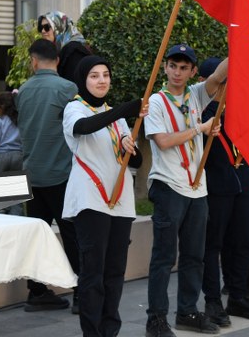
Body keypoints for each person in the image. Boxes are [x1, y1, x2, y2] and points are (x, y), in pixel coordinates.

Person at [144, 44, 228, 337]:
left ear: (193, 71)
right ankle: (156, 319)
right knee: (164, 257)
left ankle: (187, 312)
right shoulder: (156, 101)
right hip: (169, 186)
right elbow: (163, 141)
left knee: (194, 256)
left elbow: (218, 76)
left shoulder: (195, 94)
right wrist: (200, 129)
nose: (177, 73)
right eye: (173, 66)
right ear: (165, 68)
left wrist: (241, 44)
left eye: (183, 68)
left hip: (196, 188)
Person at [62, 55, 147, 337]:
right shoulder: (75, 108)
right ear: (83, 80)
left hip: (120, 201)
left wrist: (129, 147)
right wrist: (125, 109)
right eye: (94, 76)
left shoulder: (116, 117)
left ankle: (110, 330)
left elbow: (135, 162)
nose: (101, 81)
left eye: (106, 75)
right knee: (93, 272)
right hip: (90, 199)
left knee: (114, 272)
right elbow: (84, 128)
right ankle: (92, 332)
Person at [198, 58, 249, 328]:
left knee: (242, 241)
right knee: (212, 245)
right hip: (216, 186)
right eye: (224, 82)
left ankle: (238, 295)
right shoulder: (202, 111)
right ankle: (213, 301)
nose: (229, 87)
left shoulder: (240, 109)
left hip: (243, 181)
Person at [16, 38, 80, 313]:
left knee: (36, 236)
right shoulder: (68, 88)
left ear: (33, 61)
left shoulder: (23, 91)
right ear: (57, 60)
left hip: (32, 175)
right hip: (61, 174)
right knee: (73, 235)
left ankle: (37, 292)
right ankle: (81, 293)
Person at [37, 11, 91, 83]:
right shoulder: (59, 49)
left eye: (47, 27)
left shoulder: (74, 51)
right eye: (41, 27)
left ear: (59, 26)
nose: (43, 31)